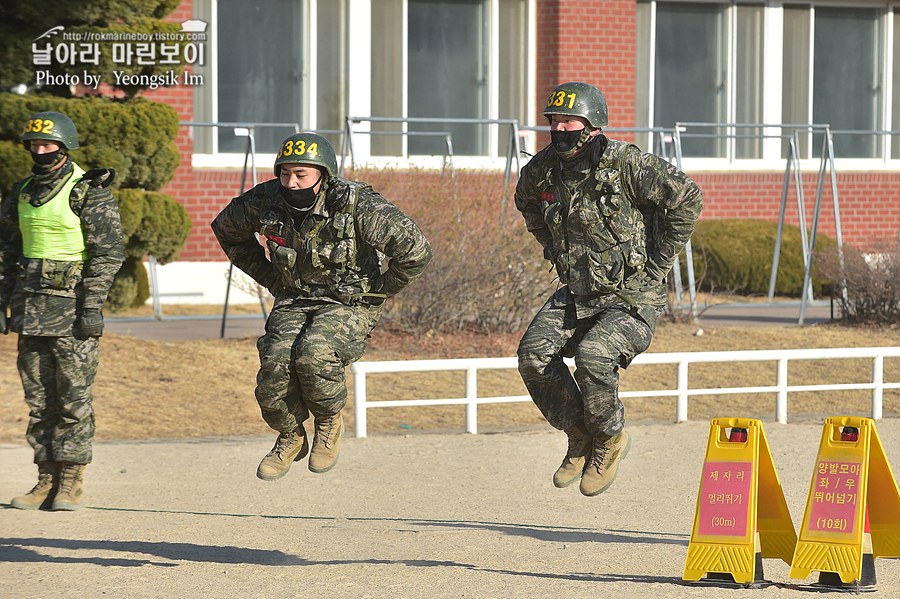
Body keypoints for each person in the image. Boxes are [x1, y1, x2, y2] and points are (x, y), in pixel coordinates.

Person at [515, 82, 703, 497]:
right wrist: (554, 247)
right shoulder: (542, 170)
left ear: (592, 125)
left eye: (570, 121)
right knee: (532, 357)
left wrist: (658, 264)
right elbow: (527, 203)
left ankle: (610, 438)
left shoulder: (626, 164)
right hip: (578, 292)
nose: (561, 129)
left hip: (630, 296)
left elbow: (687, 198)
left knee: (593, 356)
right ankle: (579, 435)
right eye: (555, 121)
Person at [212, 132, 432, 481]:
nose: (291, 182)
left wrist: (379, 292)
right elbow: (226, 229)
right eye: (285, 174)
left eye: (301, 175)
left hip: (349, 301)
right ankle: (290, 435)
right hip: (296, 298)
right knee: (274, 364)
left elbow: (415, 250)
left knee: (314, 354)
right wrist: (269, 276)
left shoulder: (355, 204)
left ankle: (328, 423)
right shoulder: (266, 200)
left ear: (323, 175)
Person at [0, 111, 124, 511]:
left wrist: (92, 308)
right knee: (39, 401)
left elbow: (107, 255)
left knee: (73, 399)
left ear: (64, 146)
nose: (40, 150)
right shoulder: (20, 192)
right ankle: (44, 479)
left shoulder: (88, 191)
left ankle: (71, 482)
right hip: (30, 311)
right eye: (34, 144)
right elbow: (7, 252)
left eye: (47, 144)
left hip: (72, 315)